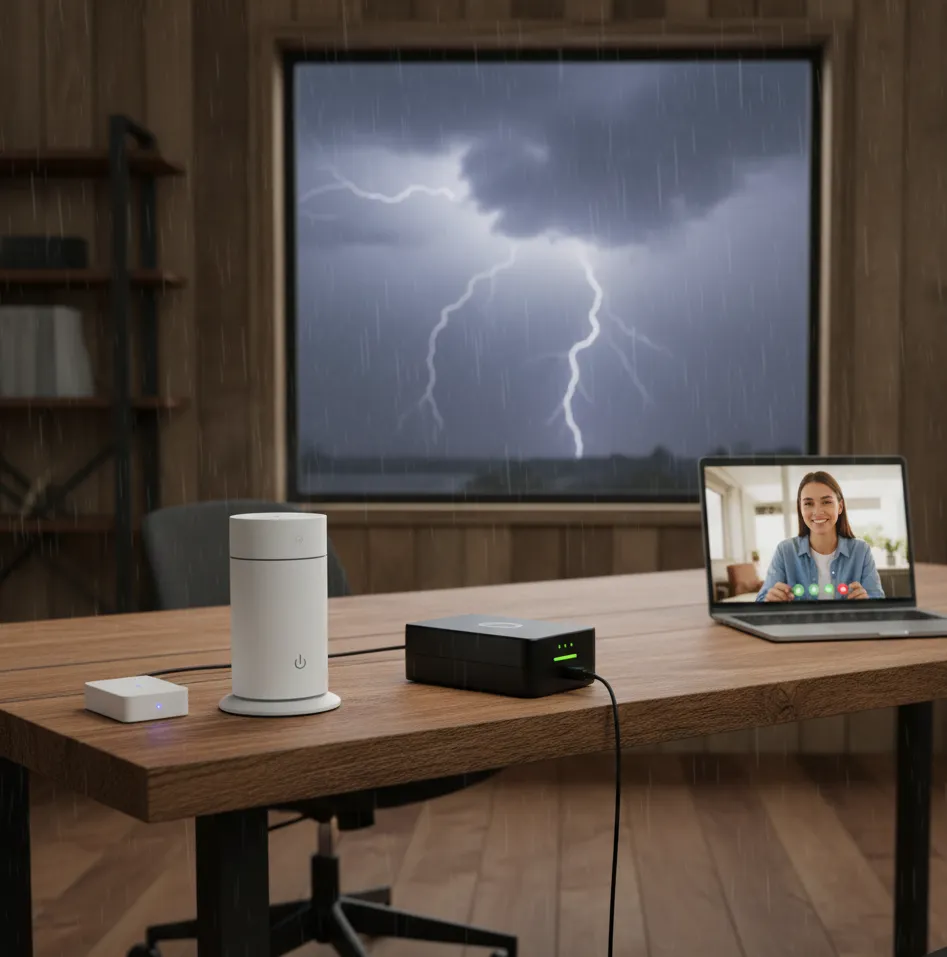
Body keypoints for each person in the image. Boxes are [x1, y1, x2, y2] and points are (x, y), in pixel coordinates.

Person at [756, 470, 885, 602]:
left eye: (826, 502)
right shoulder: (785, 551)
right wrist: (769, 601)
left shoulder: (861, 551)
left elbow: (878, 601)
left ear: (840, 507)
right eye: (808, 504)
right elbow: (761, 601)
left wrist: (867, 601)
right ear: (800, 509)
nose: (817, 511)